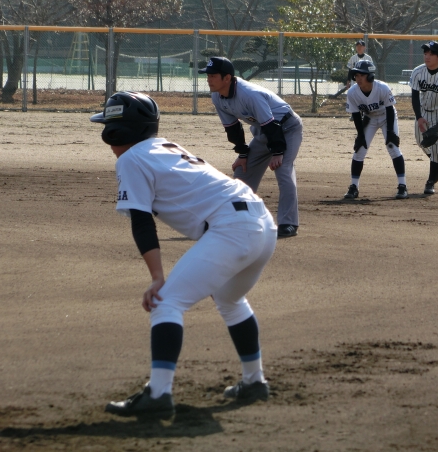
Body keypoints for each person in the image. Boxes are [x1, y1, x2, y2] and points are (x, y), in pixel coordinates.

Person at [91, 91, 277, 418]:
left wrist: (157, 278)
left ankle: (158, 394)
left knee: (166, 302)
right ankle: (254, 381)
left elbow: (141, 222)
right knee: (230, 300)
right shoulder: (164, 146)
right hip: (262, 222)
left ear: (117, 132)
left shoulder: (131, 159)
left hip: (233, 227)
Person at [199, 56, 303, 239]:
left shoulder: (249, 94)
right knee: (241, 174)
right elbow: (233, 129)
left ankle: (289, 223)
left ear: (227, 78)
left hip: (287, 128)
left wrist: (278, 152)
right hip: (265, 132)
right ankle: (229, 220)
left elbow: (272, 125)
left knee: (283, 170)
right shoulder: (217, 96)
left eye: (213, 75)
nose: (209, 79)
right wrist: (243, 153)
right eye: (208, 75)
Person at [343, 60, 408, 200]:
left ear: (370, 76)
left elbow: (390, 109)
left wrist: (390, 132)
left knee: (392, 147)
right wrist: (360, 135)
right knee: (360, 150)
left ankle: (402, 186)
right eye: (356, 75)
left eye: (362, 75)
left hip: (386, 116)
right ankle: (354, 187)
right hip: (370, 118)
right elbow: (356, 115)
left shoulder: (382, 88)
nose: (358, 78)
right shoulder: (352, 92)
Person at [408, 41, 438, 195]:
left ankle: (430, 182)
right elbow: (414, 97)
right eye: (425, 53)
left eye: (431, 54)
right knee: (420, 141)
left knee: (436, 147)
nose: (427, 56)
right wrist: (419, 117)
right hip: (423, 111)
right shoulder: (417, 72)